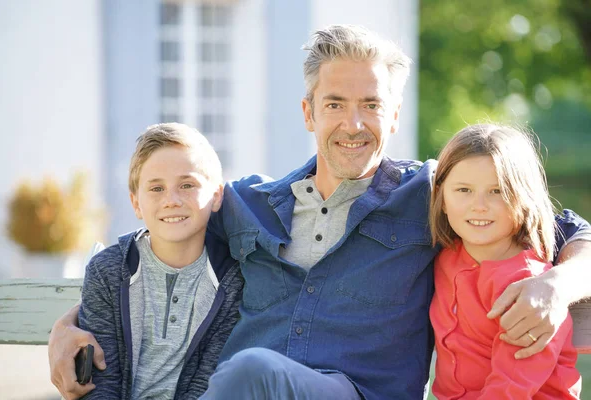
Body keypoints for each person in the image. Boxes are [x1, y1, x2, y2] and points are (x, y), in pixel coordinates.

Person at [49, 25, 591, 400]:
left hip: (352, 391)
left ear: (394, 114)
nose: (353, 124)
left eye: (371, 105)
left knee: (253, 370)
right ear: (309, 112)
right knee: (250, 372)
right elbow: (143, 245)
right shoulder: (246, 204)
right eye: (335, 104)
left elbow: (559, 224)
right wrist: (68, 323)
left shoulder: (436, 191)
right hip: (245, 391)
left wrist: (559, 285)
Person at [76, 123, 243, 399]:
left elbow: (207, 383)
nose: (171, 200)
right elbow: (101, 381)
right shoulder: (108, 271)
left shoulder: (231, 279)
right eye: (156, 189)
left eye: (187, 185)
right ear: (136, 203)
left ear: (216, 195)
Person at [428, 123, 581, 399]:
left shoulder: (525, 287)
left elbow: (510, 388)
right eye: (463, 190)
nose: (479, 205)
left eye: (497, 191)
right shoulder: (445, 257)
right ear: (441, 197)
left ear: (524, 199)